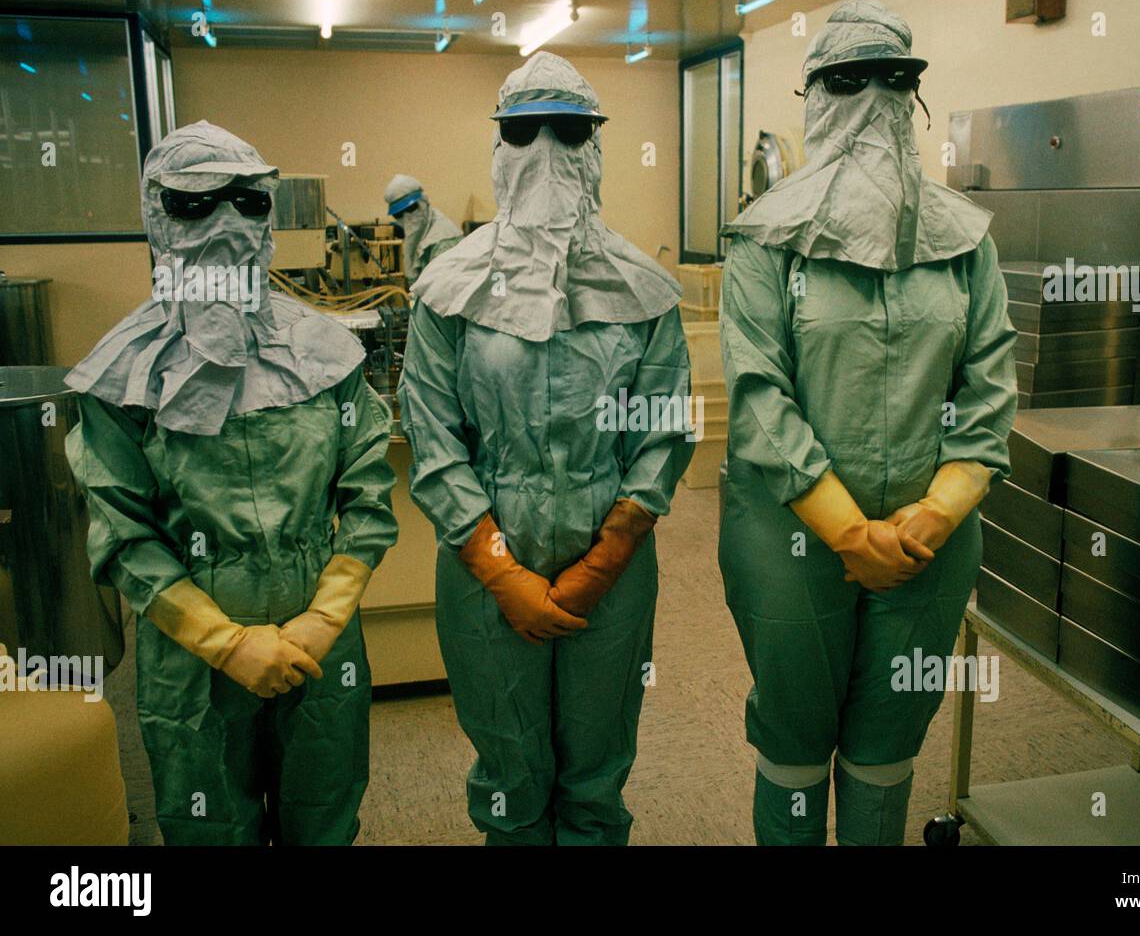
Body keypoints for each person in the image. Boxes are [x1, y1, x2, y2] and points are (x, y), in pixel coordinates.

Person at [717, 0, 1018, 846]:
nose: (877, 96)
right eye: (852, 80)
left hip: (930, 540)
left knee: (888, 744)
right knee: (795, 739)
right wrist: (849, 531)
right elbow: (758, 395)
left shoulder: (964, 241)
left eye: (898, 80)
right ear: (815, 98)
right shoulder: (766, 239)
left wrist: (936, 511)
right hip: (791, 536)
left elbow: (990, 386)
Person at [65, 120, 398, 845]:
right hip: (191, 660)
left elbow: (369, 498)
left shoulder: (325, 354)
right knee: (211, 826)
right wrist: (225, 642)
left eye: (248, 202)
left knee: (326, 820)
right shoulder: (120, 377)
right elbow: (124, 536)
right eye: (195, 204)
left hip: (322, 641)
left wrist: (319, 618)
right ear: (157, 215)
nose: (226, 223)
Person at [398, 52, 694, 845]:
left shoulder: (641, 290)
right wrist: (501, 572)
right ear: (499, 146)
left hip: (617, 560)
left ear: (594, 145)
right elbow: (433, 438)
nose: (546, 151)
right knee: (509, 775)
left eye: (568, 131)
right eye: (524, 131)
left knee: (595, 777)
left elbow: (663, 428)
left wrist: (601, 565)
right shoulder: (449, 289)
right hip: (485, 557)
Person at [383, 174, 463, 284]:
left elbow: (442, 290)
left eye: (411, 209)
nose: (407, 218)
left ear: (424, 202)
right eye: (399, 214)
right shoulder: (421, 234)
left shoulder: (443, 239)